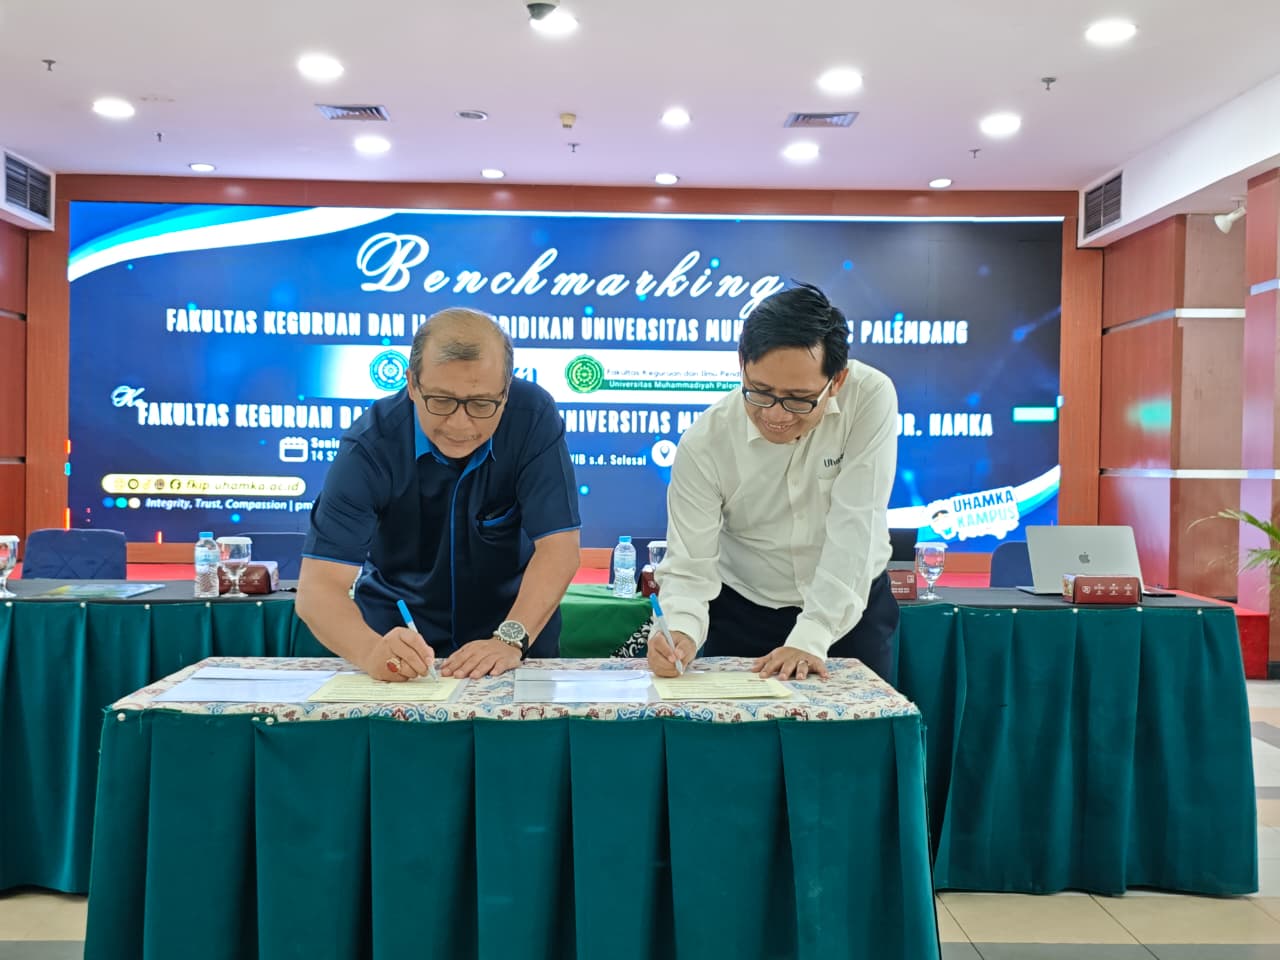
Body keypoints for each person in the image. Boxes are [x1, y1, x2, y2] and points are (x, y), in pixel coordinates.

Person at [297, 307, 581, 681]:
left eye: (481, 404)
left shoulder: (533, 417)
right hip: (399, 644)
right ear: (412, 384)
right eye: (441, 401)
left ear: (506, 391)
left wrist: (510, 639)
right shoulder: (370, 446)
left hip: (514, 640)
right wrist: (370, 651)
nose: (460, 424)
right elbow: (318, 588)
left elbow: (559, 549)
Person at [649, 283, 899, 682]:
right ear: (741, 363)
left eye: (799, 399)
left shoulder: (869, 397)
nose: (776, 415)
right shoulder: (706, 443)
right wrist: (680, 630)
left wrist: (813, 633)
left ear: (836, 381)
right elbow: (689, 566)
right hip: (744, 611)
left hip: (849, 610)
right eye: (760, 392)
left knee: (860, 722)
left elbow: (856, 524)